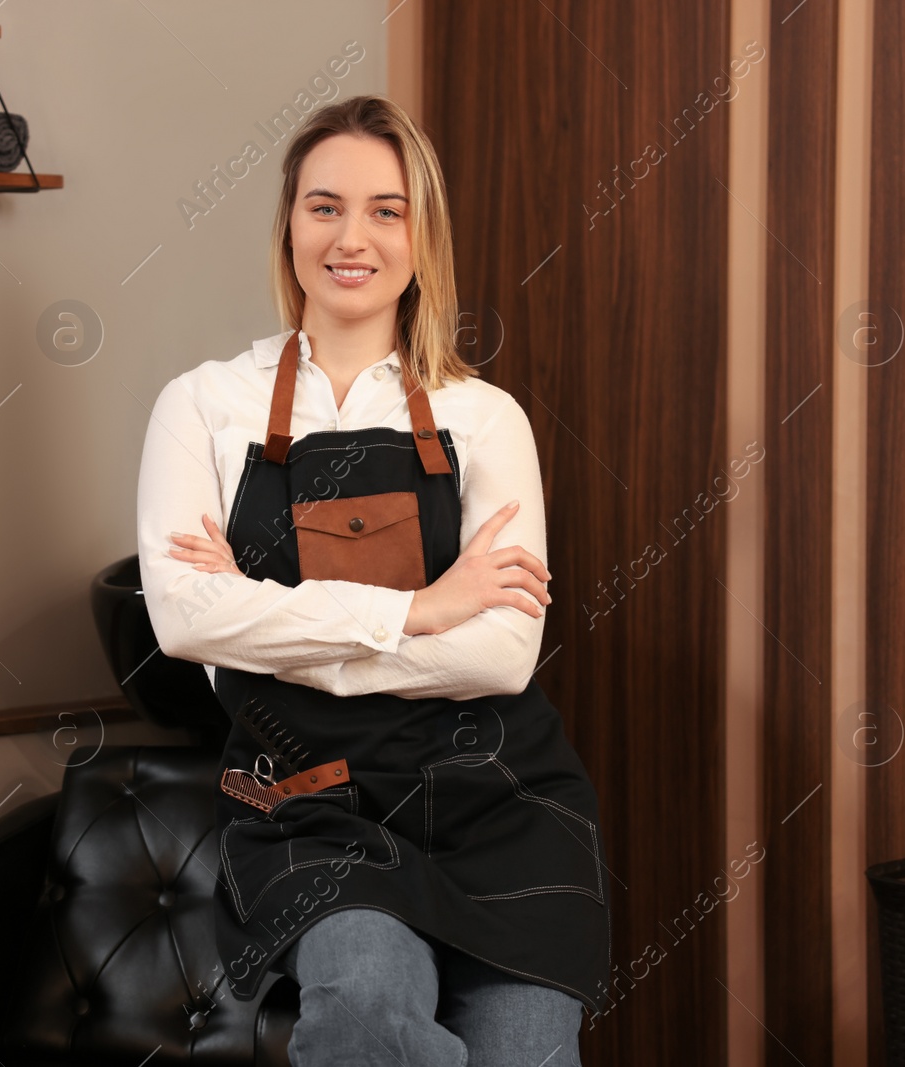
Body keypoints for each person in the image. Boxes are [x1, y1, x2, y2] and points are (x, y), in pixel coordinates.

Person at [136, 95, 610, 1067]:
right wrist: (423, 607)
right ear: (288, 225)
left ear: (419, 235)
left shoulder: (486, 419)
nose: (352, 237)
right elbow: (185, 621)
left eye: (385, 210)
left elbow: (502, 652)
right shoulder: (203, 407)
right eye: (324, 206)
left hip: (500, 804)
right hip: (312, 806)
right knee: (361, 1013)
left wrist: (272, 637)